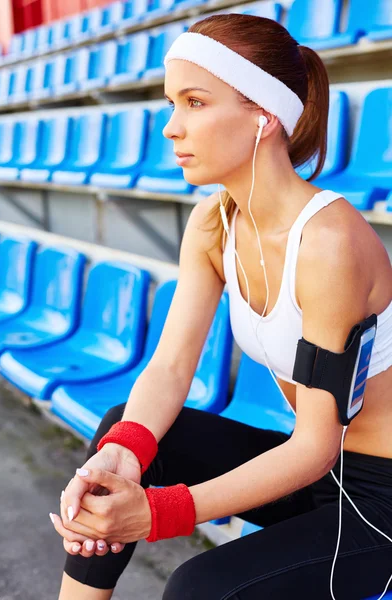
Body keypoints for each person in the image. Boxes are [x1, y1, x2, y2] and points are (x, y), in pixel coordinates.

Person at [50, 13, 392, 600]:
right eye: (171, 103)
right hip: (319, 478)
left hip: (378, 504)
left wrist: (159, 513)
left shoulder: (330, 244)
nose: (170, 128)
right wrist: (122, 459)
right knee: (120, 437)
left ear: (263, 116)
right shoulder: (213, 222)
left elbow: (315, 445)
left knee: (198, 588)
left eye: (194, 103)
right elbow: (171, 366)